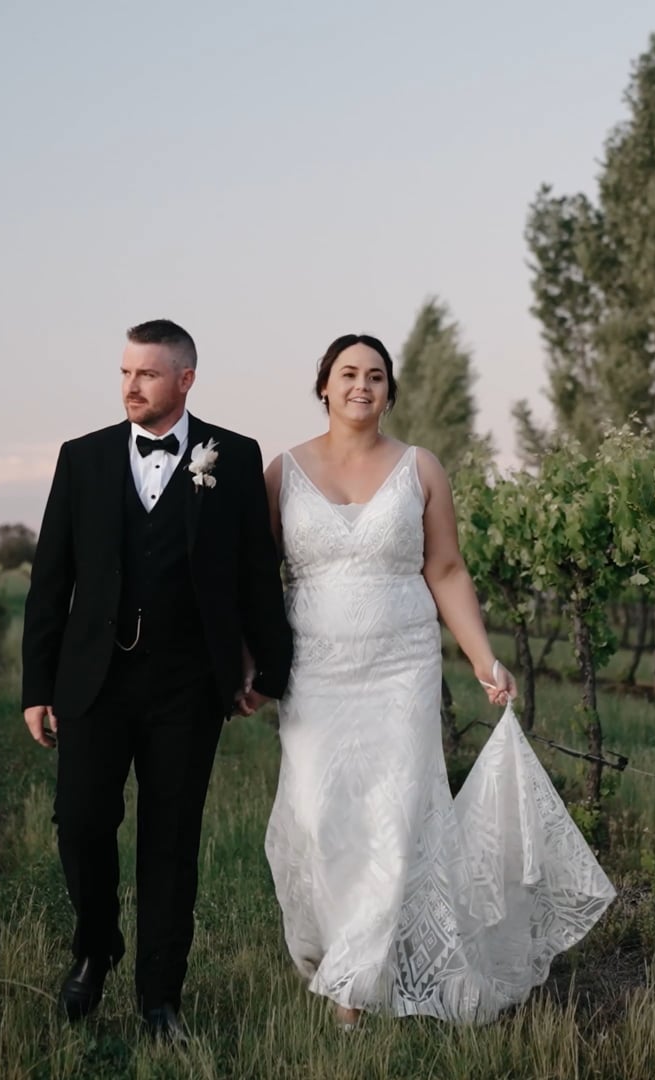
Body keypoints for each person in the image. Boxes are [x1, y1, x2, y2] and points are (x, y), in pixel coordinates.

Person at [262, 332, 614, 1029]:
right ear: (324, 386)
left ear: (390, 392)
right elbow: (254, 582)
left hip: (401, 669)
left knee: (392, 818)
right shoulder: (281, 473)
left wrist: (484, 660)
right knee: (318, 813)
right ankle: (342, 949)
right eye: (348, 373)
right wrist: (249, 663)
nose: (362, 385)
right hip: (316, 673)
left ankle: (351, 991)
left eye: (376, 376)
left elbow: (446, 570)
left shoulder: (420, 469)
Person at [22, 318, 292, 1043]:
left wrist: (269, 667)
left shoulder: (231, 457)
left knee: (172, 841)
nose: (130, 386)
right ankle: (95, 943)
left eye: (145, 373)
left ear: (185, 380)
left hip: (187, 686)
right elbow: (52, 578)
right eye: (123, 373)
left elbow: (253, 571)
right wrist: (35, 686)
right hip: (93, 682)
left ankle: (159, 998)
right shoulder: (82, 458)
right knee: (80, 822)